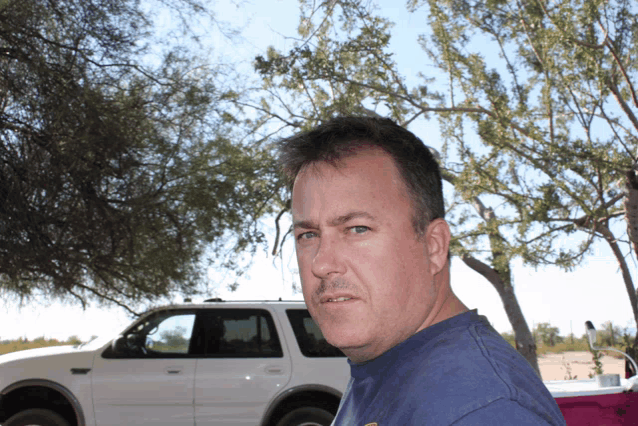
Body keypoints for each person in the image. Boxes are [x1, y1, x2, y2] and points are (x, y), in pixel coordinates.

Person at [277, 116, 566, 425]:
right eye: (308, 235)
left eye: (357, 229)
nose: (321, 264)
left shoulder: (481, 410)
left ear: (434, 246)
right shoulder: (389, 364)